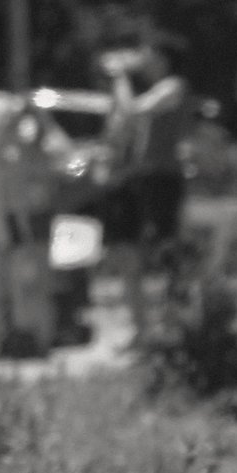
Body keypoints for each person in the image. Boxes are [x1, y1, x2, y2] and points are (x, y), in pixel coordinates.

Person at [102, 42, 192, 342]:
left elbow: (133, 111)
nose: (142, 59)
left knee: (166, 249)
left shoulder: (174, 85)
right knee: (133, 253)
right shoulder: (146, 89)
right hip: (142, 179)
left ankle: (176, 323)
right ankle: (145, 329)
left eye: (149, 54)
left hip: (164, 179)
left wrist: (121, 77)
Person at [0, 96, 63, 357]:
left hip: (14, 222)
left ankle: (24, 337)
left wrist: (40, 118)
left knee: (23, 284)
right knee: (4, 285)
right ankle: (4, 338)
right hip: (3, 221)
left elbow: (57, 152)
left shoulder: (16, 149)